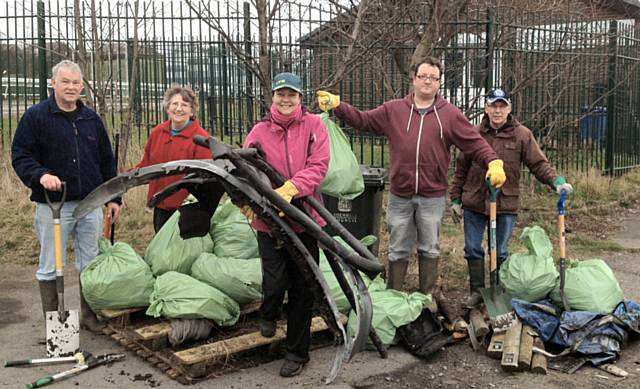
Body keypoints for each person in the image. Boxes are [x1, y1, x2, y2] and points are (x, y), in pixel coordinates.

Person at [317, 57, 506, 297]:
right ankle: (393, 296)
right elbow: (363, 121)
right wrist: (338, 106)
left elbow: (475, 143)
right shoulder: (393, 110)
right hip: (400, 195)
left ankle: (426, 298)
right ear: (414, 79)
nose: (427, 81)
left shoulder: (449, 115)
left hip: (432, 195)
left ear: (439, 83)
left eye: (433, 78)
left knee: (430, 248)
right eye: (423, 76)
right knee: (397, 249)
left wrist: (494, 162)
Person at [11, 60, 121, 332]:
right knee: (51, 264)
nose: (71, 87)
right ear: (53, 83)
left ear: (82, 86)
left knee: (91, 262)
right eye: (65, 82)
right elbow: (21, 155)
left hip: (90, 204)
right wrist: (40, 175)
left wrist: (114, 197)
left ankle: (88, 315)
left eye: (75, 83)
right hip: (53, 206)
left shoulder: (91, 119)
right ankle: (54, 324)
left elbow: (107, 162)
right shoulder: (36, 117)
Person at [449, 88, 574, 306]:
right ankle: (478, 292)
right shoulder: (474, 133)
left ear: (509, 108)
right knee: (472, 248)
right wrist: (456, 199)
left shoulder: (522, 135)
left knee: (501, 250)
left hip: (505, 202)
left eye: (502, 106)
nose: (497, 111)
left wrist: (556, 182)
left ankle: (498, 291)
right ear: (486, 108)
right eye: (493, 106)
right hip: (475, 201)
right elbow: (461, 168)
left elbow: (538, 164)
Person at [242, 72, 330, 377]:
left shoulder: (314, 126)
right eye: (281, 94)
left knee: (304, 289)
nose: (286, 100)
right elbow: (245, 171)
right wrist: (248, 201)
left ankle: (297, 353)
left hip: (305, 219)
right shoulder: (259, 131)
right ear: (273, 98)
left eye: (291, 95)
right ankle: (268, 312)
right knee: (275, 282)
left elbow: (319, 166)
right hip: (269, 222)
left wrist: (291, 189)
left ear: (300, 99)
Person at [135, 85, 212, 233]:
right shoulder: (158, 132)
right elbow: (147, 164)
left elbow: (205, 179)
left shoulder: (201, 139)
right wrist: (124, 179)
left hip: (188, 210)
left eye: (184, 105)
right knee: (162, 250)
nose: (179, 109)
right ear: (167, 107)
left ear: (192, 111)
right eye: (174, 104)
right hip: (161, 205)